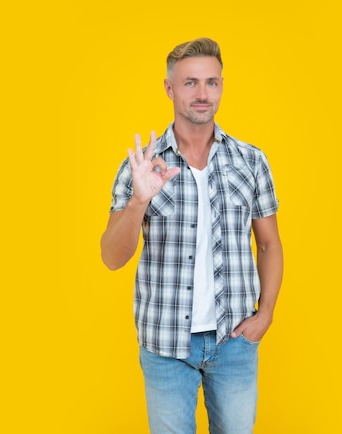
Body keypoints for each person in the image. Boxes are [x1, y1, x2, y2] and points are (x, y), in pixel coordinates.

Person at [100, 37, 283, 434]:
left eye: (212, 82)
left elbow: (268, 243)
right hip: (165, 344)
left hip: (235, 342)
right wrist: (138, 201)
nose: (203, 94)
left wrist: (265, 313)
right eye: (190, 83)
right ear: (169, 88)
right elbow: (112, 257)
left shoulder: (251, 161)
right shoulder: (142, 166)